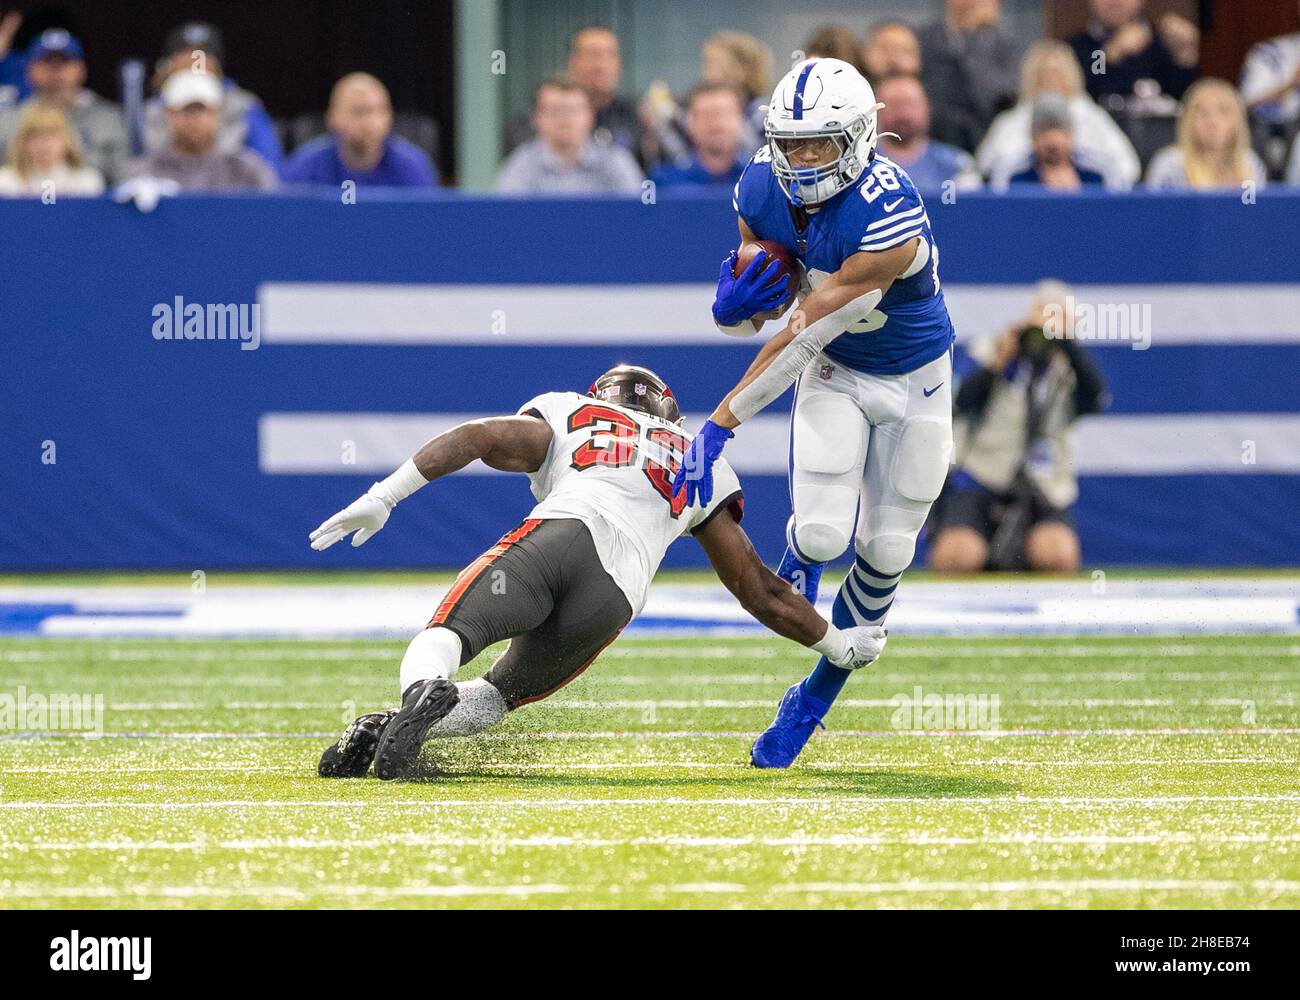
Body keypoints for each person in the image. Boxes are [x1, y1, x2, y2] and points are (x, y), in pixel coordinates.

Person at [310, 365, 887, 780]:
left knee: (451, 632)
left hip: (564, 535)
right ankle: (393, 725)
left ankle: (419, 692)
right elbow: (759, 590)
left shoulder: (572, 412)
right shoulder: (695, 455)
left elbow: (479, 438)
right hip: (613, 597)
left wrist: (385, 495)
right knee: (496, 695)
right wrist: (838, 646)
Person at [673, 58, 956, 769]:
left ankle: (812, 699)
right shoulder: (759, 186)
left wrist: (719, 425)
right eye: (790, 142)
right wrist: (738, 308)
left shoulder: (888, 211)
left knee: (889, 550)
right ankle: (803, 554)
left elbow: (806, 329)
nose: (800, 159)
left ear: (859, 139)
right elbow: (777, 295)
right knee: (827, 531)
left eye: (818, 144)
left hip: (914, 377)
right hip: (839, 371)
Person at [928, 281, 1106, 574]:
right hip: (982, 479)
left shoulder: (1072, 369)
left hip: (1044, 486)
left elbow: (1095, 400)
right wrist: (999, 362)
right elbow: (959, 400)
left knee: (1057, 553)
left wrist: (1067, 346)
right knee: (956, 556)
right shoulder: (992, 351)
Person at [977, 40, 1141, 189]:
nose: (1050, 79)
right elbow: (985, 169)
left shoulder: (1093, 117)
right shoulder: (1009, 121)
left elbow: (1128, 167)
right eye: (1043, 73)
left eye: (1056, 72)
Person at [142, 21, 283, 175]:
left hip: (229, 190)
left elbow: (271, 168)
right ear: (169, 64)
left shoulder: (245, 105)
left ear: (217, 64)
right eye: (187, 58)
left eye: (201, 58)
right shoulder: (152, 108)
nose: (195, 65)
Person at [0, 28, 127, 184]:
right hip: (19, 202)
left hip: (88, 203)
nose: (55, 72)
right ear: (29, 69)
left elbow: (123, 178)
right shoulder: (7, 119)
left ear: (81, 69)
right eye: (47, 62)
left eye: (63, 62)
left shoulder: (107, 118)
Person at [504, 26, 643, 159]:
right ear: (572, 62)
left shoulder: (637, 115)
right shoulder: (531, 122)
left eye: (610, 55)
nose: (602, 65)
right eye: (593, 55)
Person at [127, 70, 276, 192]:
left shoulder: (246, 170)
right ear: (169, 114)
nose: (195, 119)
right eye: (187, 110)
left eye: (202, 110)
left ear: (217, 113)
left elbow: (274, 214)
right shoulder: (144, 171)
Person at [282, 73, 439, 189]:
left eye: (377, 111)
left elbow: (427, 223)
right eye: (358, 111)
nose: (368, 122)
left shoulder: (412, 167)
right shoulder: (306, 165)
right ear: (332, 118)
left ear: (389, 118)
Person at [496, 77, 642, 195]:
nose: (565, 120)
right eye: (555, 111)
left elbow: (637, 217)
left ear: (590, 116)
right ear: (536, 118)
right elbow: (507, 219)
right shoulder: (520, 166)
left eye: (573, 111)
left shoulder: (616, 161)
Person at [918, 0, 1021, 149]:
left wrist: (978, 37)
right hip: (932, 144)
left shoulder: (1006, 49)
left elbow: (996, 100)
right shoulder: (923, 40)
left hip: (987, 145)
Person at [1067, 0, 1198, 105]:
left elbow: (1184, 98)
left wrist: (1185, 56)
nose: (1115, 2)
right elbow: (1085, 93)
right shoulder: (1078, 47)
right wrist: (1110, 54)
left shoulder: (1162, 40)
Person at [1145, 78, 1266, 190]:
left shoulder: (1250, 163)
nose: (1212, 122)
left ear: (1238, 121)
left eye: (1223, 112)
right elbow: (1156, 211)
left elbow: (1254, 209)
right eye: (1203, 113)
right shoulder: (1170, 164)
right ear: (1188, 121)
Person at [876, 74, 982, 195]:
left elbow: (972, 208)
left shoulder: (957, 165)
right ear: (876, 112)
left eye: (910, 104)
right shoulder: (862, 167)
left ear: (926, 108)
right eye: (894, 106)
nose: (903, 114)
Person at [648, 83, 748, 191]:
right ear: (690, 123)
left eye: (724, 113)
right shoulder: (664, 182)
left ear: (741, 120)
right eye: (706, 115)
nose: (716, 122)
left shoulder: (762, 179)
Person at [1001, 93, 1111, 190]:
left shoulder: (1095, 175)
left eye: (1060, 131)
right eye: (1043, 131)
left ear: (1070, 134)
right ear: (1032, 137)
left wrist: (1076, 192)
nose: (1053, 140)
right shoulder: (1016, 177)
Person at [0, 101, 103, 196]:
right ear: (22, 143)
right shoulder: (6, 182)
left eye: (51, 136)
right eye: (35, 137)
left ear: (67, 140)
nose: (43, 144)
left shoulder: (86, 181)